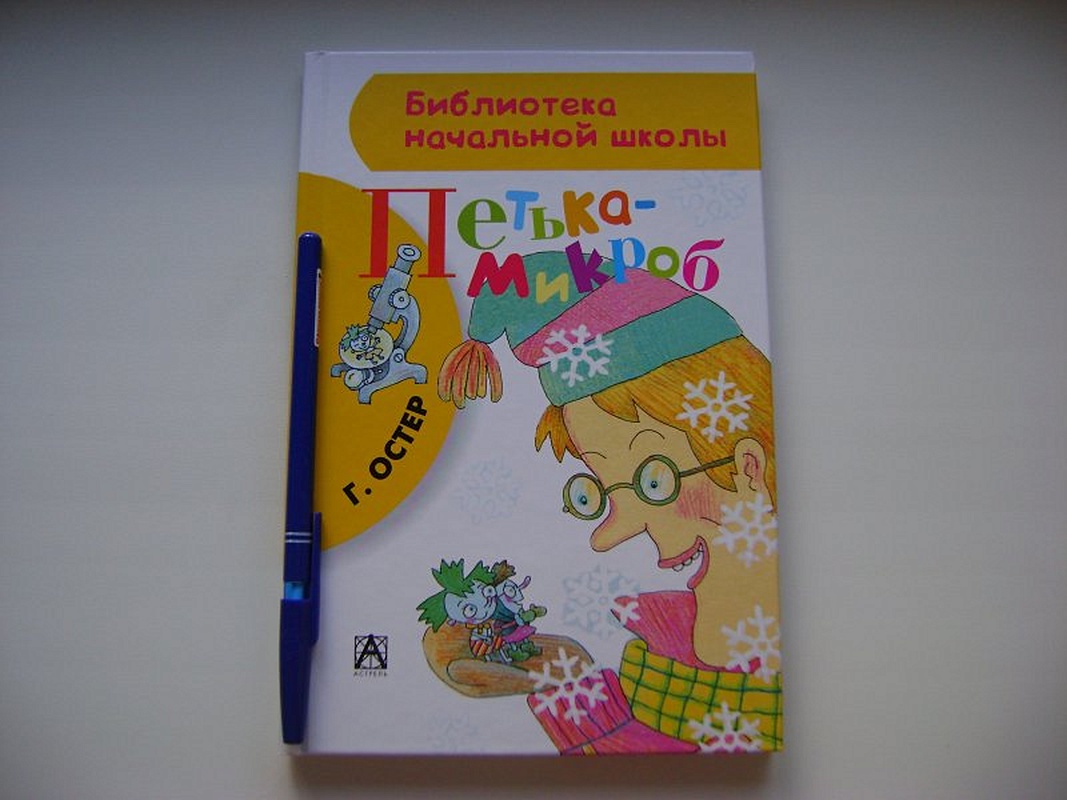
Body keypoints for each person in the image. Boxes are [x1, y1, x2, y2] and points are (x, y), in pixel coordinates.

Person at [431, 250, 782, 753]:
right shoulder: (666, 660)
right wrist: (562, 671)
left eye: (652, 481)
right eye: (594, 492)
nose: (608, 534)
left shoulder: (765, 686)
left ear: (748, 468)